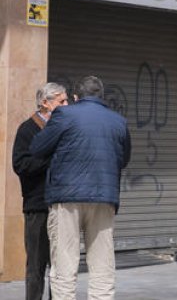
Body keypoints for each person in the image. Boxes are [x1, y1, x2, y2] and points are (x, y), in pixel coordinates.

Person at [30, 76, 131, 300]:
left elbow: (37, 148)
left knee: (65, 264)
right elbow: (123, 159)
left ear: (76, 97)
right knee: (102, 264)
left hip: (67, 198)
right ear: (101, 96)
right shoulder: (118, 121)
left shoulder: (64, 114)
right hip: (104, 198)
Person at [11, 83, 69, 300]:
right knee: (36, 265)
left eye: (66, 100)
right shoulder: (27, 129)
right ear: (45, 103)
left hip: (62, 205)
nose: (66, 104)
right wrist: (49, 161)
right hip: (37, 206)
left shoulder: (63, 128)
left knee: (60, 266)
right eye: (61, 101)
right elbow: (21, 165)